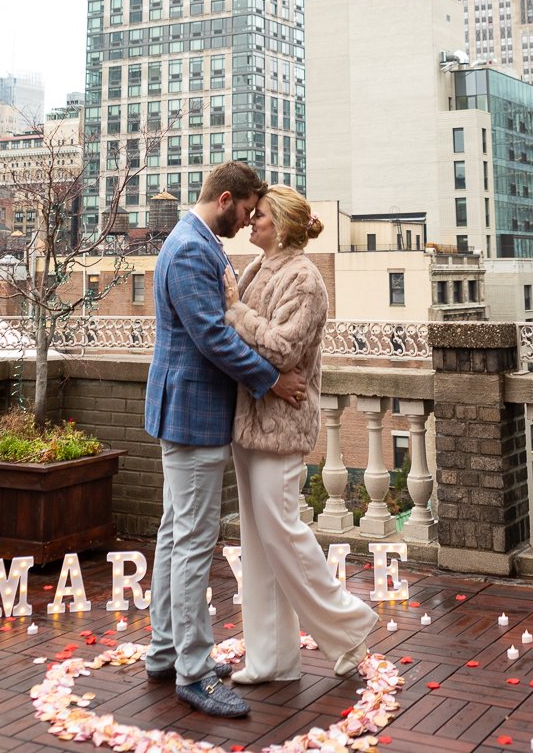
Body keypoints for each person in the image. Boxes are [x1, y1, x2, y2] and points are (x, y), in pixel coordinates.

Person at [144, 162, 306, 719]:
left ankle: (165, 651)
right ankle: (192, 671)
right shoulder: (191, 249)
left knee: (174, 535)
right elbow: (211, 336)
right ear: (227, 199)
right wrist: (271, 379)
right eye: (247, 209)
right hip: (192, 414)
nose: (248, 220)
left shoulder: (195, 241)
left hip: (187, 412)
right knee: (191, 542)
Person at [222, 185, 378, 685]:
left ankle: (349, 623)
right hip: (248, 422)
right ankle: (273, 660)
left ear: (283, 225)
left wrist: (237, 313)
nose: (252, 222)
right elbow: (240, 342)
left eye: (261, 215)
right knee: (259, 544)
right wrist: (239, 318)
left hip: (283, 425)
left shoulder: (305, 280)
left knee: (283, 534)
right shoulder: (254, 270)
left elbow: (284, 350)